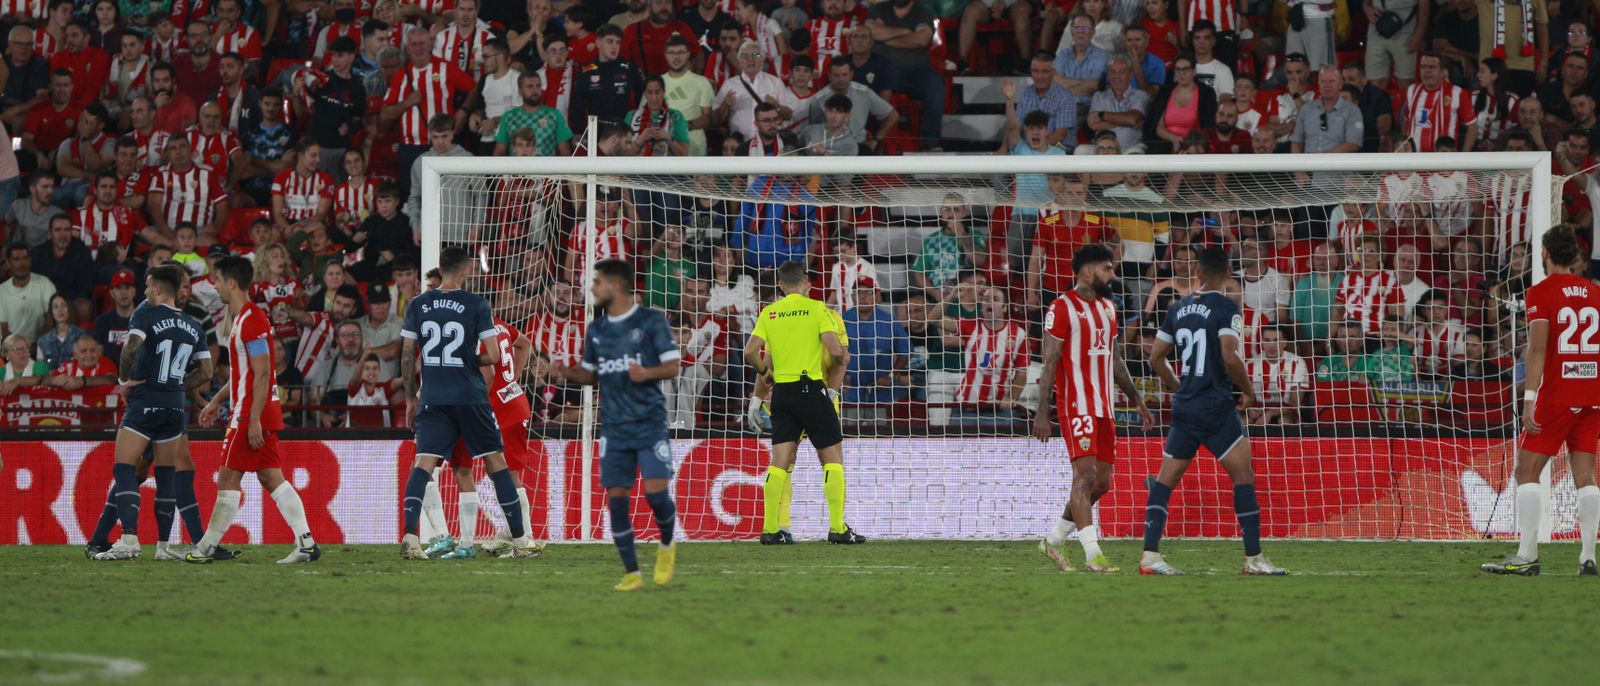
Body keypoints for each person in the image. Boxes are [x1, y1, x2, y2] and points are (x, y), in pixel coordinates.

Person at [1141, 248, 1286, 576]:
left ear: (1198, 273)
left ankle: (1149, 556)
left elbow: (1155, 357)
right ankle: (1253, 558)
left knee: (1164, 481)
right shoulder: (1226, 307)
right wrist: (1248, 390)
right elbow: (1229, 355)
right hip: (1215, 406)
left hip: (1185, 406)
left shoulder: (1178, 307)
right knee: (1243, 477)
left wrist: (1179, 387)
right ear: (1227, 275)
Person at [395, 246, 540, 560]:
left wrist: (409, 399)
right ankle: (520, 540)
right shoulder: (476, 304)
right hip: (469, 397)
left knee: (423, 465)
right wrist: (468, 360)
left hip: (433, 397)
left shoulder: (417, 304)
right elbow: (493, 355)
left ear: (441, 269)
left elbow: (407, 356)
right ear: (465, 270)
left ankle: (410, 537)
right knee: (496, 463)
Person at [549, 259, 682, 590]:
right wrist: (565, 372)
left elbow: (673, 366)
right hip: (614, 426)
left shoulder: (650, 321)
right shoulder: (597, 329)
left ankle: (667, 544)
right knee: (617, 498)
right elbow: (590, 374)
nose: (592, 288)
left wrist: (647, 373)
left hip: (649, 422)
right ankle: (631, 573)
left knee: (656, 495)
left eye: (597, 282)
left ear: (616, 285)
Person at [184, 257, 320, 564]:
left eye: (218, 280)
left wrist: (253, 418)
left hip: (249, 413)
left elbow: (262, 373)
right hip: (254, 410)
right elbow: (244, 374)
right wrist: (217, 400)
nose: (215, 286)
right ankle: (307, 543)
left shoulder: (252, 320)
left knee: (227, 479)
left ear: (231, 283)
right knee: (271, 478)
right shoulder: (245, 319)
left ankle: (205, 548)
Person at [1483, 225, 1600, 576]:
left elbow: (1537, 348)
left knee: (1527, 470)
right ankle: (1588, 557)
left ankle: (1527, 556)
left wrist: (1529, 397)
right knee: (1585, 474)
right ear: (1575, 256)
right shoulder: (1595, 292)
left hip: (1559, 394)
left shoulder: (1541, 292)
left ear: (1545, 254)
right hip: (1592, 392)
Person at [1033, 244, 1153, 573]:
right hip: (1076, 405)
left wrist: (1136, 399)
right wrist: (1042, 411)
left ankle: (1053, 541)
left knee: (1101, 484)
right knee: (1084, 477)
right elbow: (1050, 361)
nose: (1113, 275)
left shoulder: (1109, 308)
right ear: (1087, 271)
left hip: (1104, 407)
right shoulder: (1061, 307)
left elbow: (1114, 359)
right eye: (1107, 268)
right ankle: (1093, 555)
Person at [92, 265, 215, 561]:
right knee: (166, 475)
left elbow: (130, 348)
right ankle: (162, 546)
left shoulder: (145, 313)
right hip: (174, 407)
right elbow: (206, 372)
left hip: (145, 400)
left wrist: (124, 382)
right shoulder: (194, 325)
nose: (145, 291)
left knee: (124, 469)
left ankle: (129, 539)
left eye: (148, 286)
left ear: (158, 288)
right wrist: (176, 385)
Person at [745, 260, 862, 547]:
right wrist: (842, 357)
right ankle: (837, 528)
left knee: (780, 462)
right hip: (811, 389)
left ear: (781, 285)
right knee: (832, 458)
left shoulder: (770, 312)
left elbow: (750, 352)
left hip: (782, 393)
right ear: (806, 282)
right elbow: (834, 350)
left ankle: (770, 529)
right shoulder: (818, 309)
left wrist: (765, 375)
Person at [0, 242, 56, 340]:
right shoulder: (2, 290)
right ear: (8, 263)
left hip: (41, 344)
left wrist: (41, 345)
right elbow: (4, 330)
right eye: (16, 259)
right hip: (12, 345)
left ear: (30, 261)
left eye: (25, 258)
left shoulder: (45, 284)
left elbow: (52, 321)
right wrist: (18, 346)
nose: (21, 264)